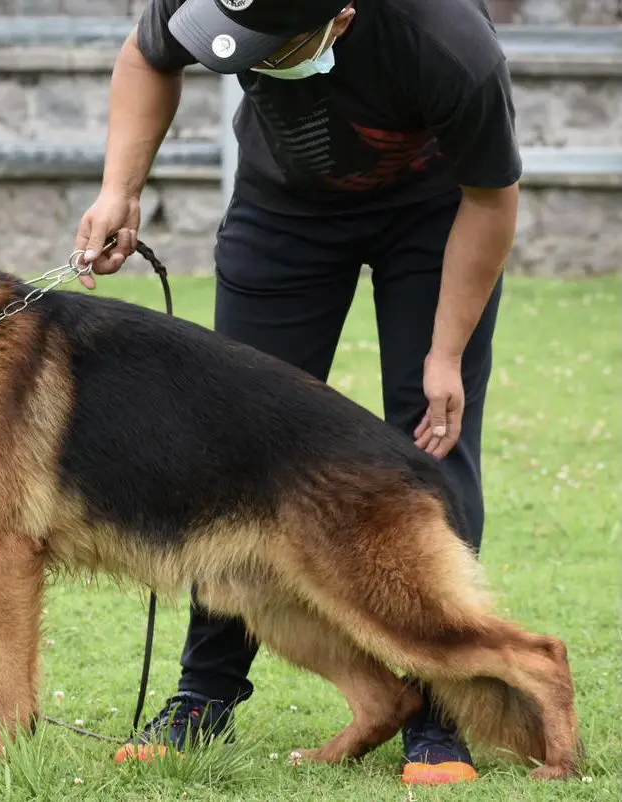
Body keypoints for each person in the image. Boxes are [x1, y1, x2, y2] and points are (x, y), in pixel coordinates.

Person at [73, 0, 521, 786]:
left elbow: (490, 199)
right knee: (226, 453)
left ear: (340, 20)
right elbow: (147, 58)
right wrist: (120, 187)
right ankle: (202, 697)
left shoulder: (446, 41)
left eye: (275, 48)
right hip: (282, 212)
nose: (256, 64)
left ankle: (441, 712)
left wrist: (444, 354)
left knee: (430, 437)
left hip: (431, 216)